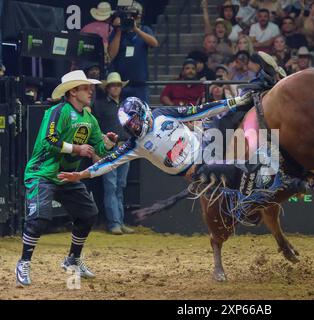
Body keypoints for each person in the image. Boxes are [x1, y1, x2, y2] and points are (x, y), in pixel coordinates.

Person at [15, 70, 118, 286]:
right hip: (42, 173)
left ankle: (73, 259)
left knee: (89, 214)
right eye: (84, 88)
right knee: (39, 219)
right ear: (72, 92)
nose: (90, 91)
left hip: (66, 177)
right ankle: (24, 262)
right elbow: (49, 140)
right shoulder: (57, 111)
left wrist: (108, 143)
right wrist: (76, 148)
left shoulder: (89, 118)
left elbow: (98, 146)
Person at [57, 93, 254, 189]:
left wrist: (234, 102)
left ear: (142, 112)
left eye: (134, 121)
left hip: (205, 143)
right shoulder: (135, 144)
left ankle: (254, 92)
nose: (133, 127)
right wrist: (81, 174)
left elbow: (199, 110)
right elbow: (109, 162)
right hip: (196, 170)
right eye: (129, 125)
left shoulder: (163, 114)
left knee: (229, 117)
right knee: (230, 170)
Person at [94, 72, 134, 235]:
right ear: (108, 88)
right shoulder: (100, 105)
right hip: (110, 148)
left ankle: (118, 221)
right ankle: (115, 223)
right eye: (113, 85)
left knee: (119, 186)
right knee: (112, 186)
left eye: (118, 85)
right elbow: (96, 129)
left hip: (124, 147)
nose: (116, 88)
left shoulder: (125, 105)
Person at [108, 1, 158, 104]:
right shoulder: (117, 32)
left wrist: (136, 29)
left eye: (135, 17)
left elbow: (154, 43)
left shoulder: (145, 29)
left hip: (140, 84)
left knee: (142, 113)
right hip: (121, 84)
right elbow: (111, 55)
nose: (133, 19)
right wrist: (118, 31)